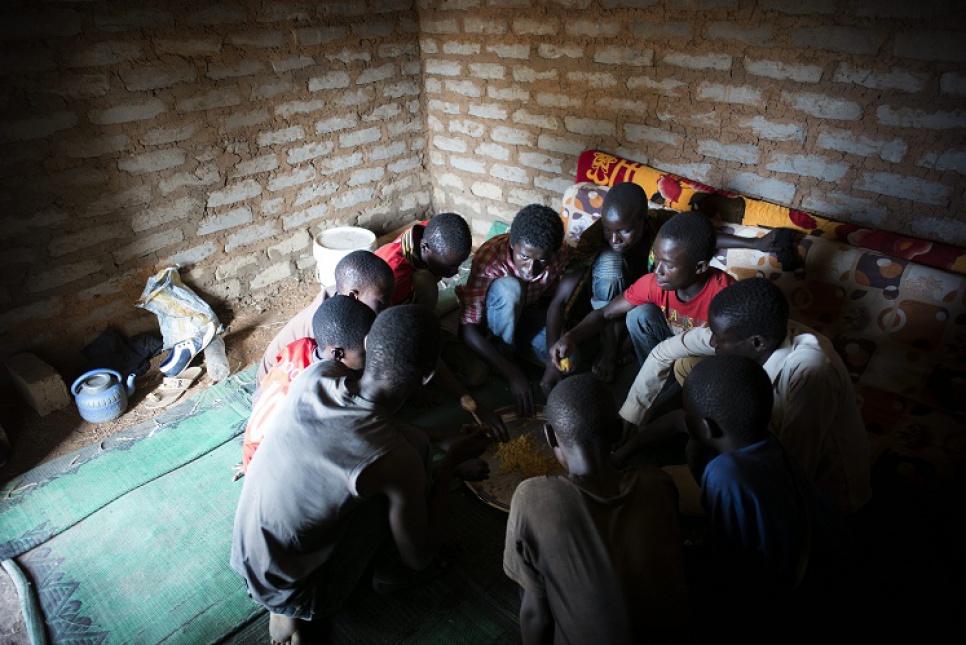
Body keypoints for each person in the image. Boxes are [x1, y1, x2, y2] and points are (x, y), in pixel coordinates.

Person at [231, 305, 491, 644]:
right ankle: (380, 575)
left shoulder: (318, 374)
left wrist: (440, 437)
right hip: (301, 592)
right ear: (427, 376)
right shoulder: (396, 460)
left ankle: (285, 602)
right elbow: (420, 556)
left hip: (247, 556)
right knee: (407, 483)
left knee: (407, 448)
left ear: (367, 342)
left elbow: (366, 415)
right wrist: (449, 463)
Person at [616, 277, 872, 515]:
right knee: (687, 362)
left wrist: (725, 482)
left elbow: (791, 472)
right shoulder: (744, 329)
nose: (712, 342)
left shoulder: (811, 374)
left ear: (758, 343)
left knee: (657, 487)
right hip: (755, 452)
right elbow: (665, 352)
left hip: (820, 494)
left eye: (719, 339)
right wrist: (629, 418)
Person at [503, 374, 691, 644]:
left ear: (549, 436)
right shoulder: (657, 483)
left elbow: (536, 616)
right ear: (618, 431)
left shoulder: (532, 498)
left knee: (529, 590)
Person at [681, 355, 854, 635]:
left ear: (706, 427)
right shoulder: (767, 440)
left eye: (686, 412)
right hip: (829, 554)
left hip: (797, 589)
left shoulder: (724, 474)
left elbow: (730, 558)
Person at [564, 182, 795, 381]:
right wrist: (569, 335)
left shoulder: (721, 292)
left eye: (624, 230)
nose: (614, 238)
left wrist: (755, 245)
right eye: (608, 230)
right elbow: (603, 310)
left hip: (701, 355)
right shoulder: (655, 279)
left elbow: (699, 239)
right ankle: (638, 363)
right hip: (643, 307)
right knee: (632, 303)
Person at [551, 211, 734, 382]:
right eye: (657, 259)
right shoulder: (655, 283)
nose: (658, 270)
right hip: (667, 350)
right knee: (638, 315)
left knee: (688, 365)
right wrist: (571, 337)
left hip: (702, 366)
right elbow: (605, 313)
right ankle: (657, 377)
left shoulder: (725, 295)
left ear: (700, 267)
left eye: (668, 265)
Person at [458, 204, 582, 417]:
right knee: (510, 289)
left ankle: (510, 351)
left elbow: (555, 304)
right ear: (512, 243)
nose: (530, 269)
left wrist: (553, 359)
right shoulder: (490, 257)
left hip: (525, 315)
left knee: (571, 361)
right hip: (489, 323)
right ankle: (503, 355)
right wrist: (513, 374)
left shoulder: (559, 252)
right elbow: (468, 328)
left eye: (541, 260)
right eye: (524, 256)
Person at [241, 295, 376, 475]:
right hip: (272, 470)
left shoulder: (299, 346)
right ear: (337, 355)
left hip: (252, 450)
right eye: (365, 352)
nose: (371, 355)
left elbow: (262, 393)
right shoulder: (327, 387)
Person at [255, 250, 394, 388]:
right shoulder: (328, 331)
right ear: (353, 295)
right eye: (381, 302)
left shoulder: (343, 293)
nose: (388, 306)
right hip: (275, 386)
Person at [375, 211, 472, 310]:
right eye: (450, 266)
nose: (455, 272)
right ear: (425, 248)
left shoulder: (432, 231)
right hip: (385, 309)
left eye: (459, 264)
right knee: (425, 281)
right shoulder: (396, 276)